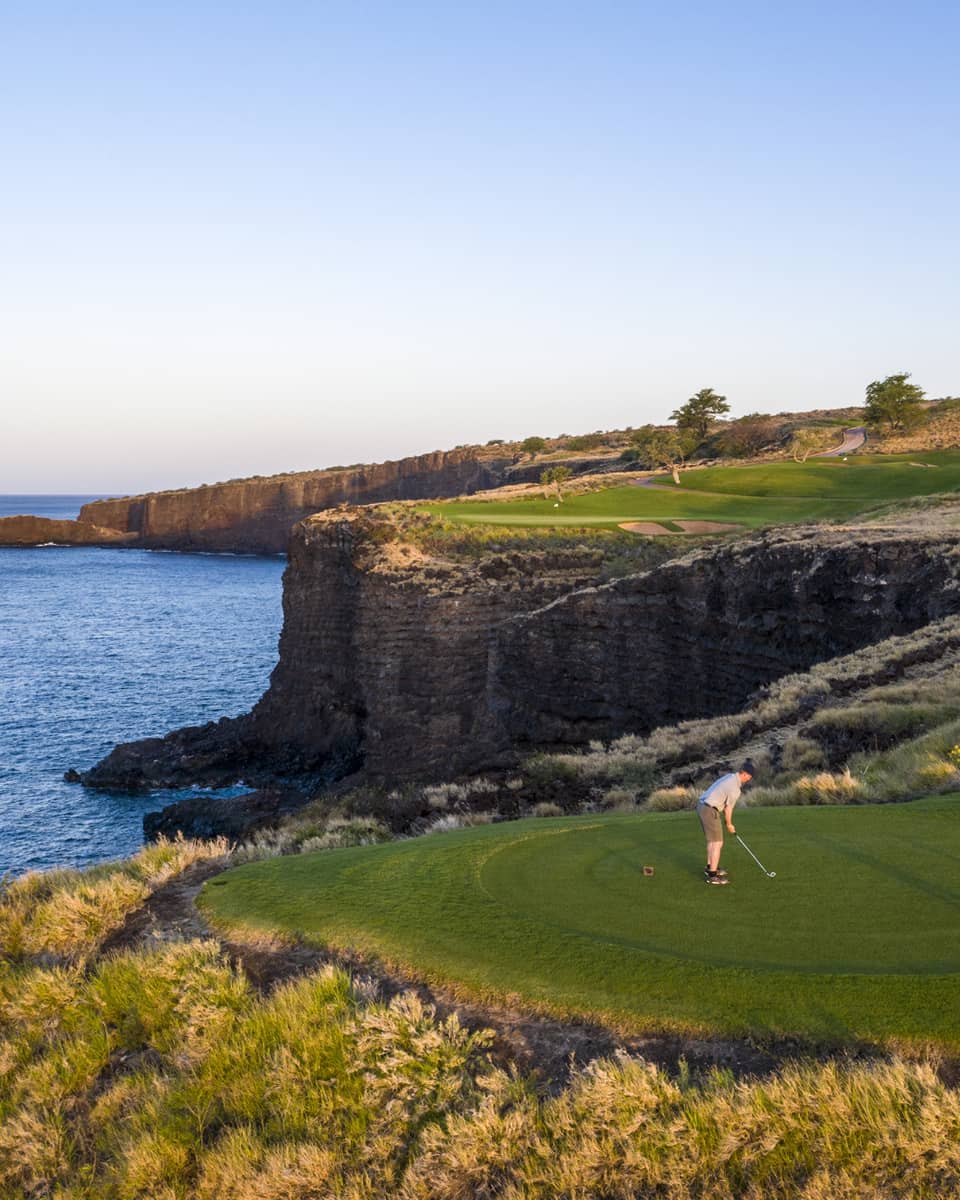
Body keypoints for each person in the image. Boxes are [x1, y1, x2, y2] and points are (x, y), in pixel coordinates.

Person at [696, 760, 754, 885]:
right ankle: (712, 875)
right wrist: (729, 824)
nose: (748, 780)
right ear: (744, 774)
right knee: (718, 842)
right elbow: (728, 808)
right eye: (749, 777)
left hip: (702, 805)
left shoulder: (730, 776)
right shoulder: (735, 789)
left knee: (713, 841)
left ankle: (710, 867)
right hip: (709, 809)